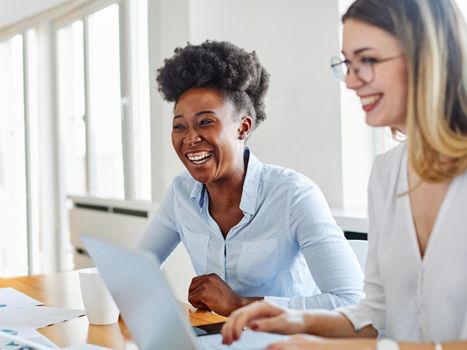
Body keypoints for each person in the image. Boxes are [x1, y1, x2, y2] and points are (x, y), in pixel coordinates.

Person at [221, 0, 467, 348]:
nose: (351, 82)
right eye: (347, 64)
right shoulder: (386, 173)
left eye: (367, 60)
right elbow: (378, 314)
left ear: (427, 57)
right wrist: (295, 320)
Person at [136, 40, 363, 317]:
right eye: (179, 126)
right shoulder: (181, 192)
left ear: (243, 128)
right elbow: (139, 266)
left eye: (206, 122)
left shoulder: (294, 195)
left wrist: (240, 305)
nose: (190, 138)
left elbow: (351, 301)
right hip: (218, 337)